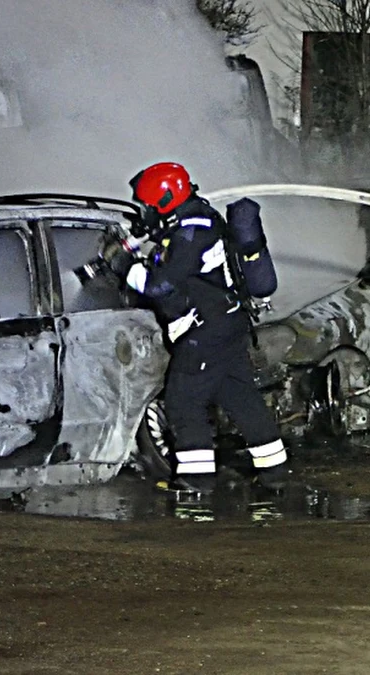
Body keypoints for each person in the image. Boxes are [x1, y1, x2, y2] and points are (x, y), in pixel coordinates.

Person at [123, 161, 287, 493]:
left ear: (166, 201)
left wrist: (124, 266)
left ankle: (195, 480)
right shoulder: (200, 220)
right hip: (228, 323)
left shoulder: (188, 235)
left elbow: (158, 286)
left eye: (148, 205)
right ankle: (274, 472)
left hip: (205, 332)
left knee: (184, 402)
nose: (145, 212)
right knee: (240, 397)